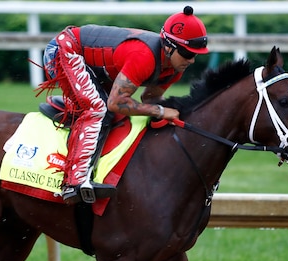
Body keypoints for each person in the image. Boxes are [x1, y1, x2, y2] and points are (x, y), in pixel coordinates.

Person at [40, 5, 209, 204]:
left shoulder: (174, 67)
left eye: (195, 54)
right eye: (187, 53)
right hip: (64, 50)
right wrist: (162, 111)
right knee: (98, 109)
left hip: (94, 66)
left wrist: (168, 112)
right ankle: (73, 183)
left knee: (117, 114)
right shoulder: (143, 57)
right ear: (169, 46)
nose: (191, 60)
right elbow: (116, 103)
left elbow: (149, 100)